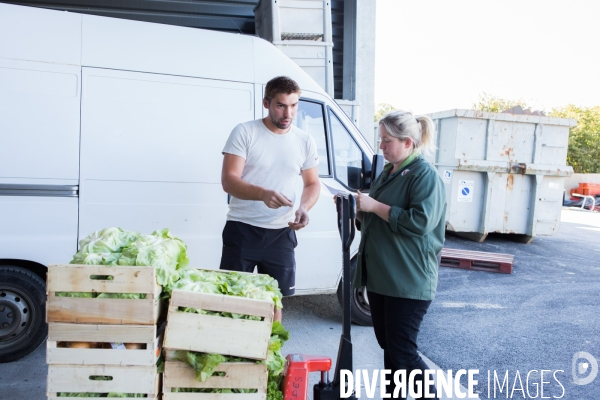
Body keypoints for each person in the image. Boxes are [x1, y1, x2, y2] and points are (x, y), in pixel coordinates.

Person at [353, 110, 446, 399]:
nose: (381, 146)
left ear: (407, 142)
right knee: (390, 349)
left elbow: (420, 221)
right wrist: (357, 207)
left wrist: (374, 207)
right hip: (383, 277)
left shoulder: (424, 175)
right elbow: (373, 217)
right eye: (381, 139)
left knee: (403, 352)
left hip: (408, 280)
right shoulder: (389, 171)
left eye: (386, 140)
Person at [219, 76, 320, 321]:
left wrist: (304, 208)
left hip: (281, 233)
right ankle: (232, 353)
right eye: (281, 105)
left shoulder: (304, 141)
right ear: (266, 103)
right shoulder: (245, 131)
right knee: (233, 301)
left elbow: (312, 183)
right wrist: (262, 194)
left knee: (274, 302)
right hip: (242, 229)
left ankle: (269, 354)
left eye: (294, 105)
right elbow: (229, 181)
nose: (288, 113)